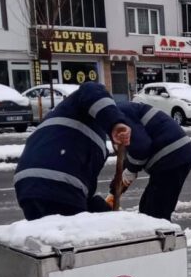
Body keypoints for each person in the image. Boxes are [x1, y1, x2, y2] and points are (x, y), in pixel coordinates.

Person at [14, 82, 131, 220]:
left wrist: (102, 209)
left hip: (27, 186)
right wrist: (116, 122)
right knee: (72, 236)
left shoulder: (69, 120)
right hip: (59, 182)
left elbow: (86, 189)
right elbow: (91, 88)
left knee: (48, 236)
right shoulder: (80, 103)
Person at [111, 101, 191, 221]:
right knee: (147, 209)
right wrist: (118, 183)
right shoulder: (118, 112)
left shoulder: (118, 114)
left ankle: (166, 238)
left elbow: (141, 147)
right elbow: (132, 148)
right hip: (171, 156)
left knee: (155, 214)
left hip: (172, 155)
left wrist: (131, 169)